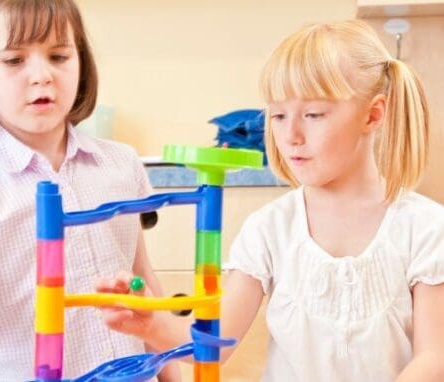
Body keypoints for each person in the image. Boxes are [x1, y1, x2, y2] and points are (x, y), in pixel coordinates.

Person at [98, 20, 444, 381]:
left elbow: (434, 359)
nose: (290, 135)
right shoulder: (268, 229)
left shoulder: (426, 229)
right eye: (278, 115)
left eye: (313, 115)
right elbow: (217, 345)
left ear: (372, 114)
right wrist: (152, 324)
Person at [0, 1, 180, 381]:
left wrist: (173, 376)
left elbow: (142, 283)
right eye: (14, 60)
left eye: (59, 55)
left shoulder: (122, 164)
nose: (41, 75)